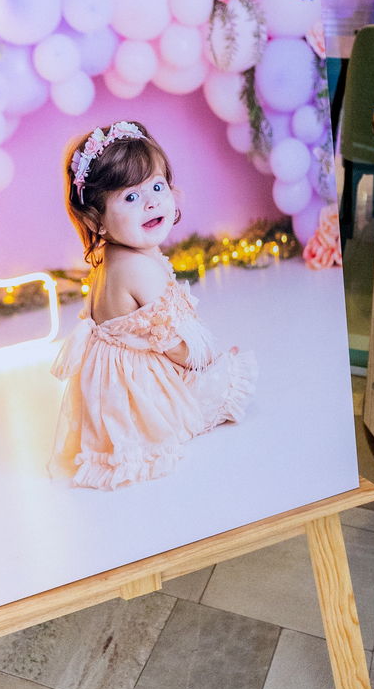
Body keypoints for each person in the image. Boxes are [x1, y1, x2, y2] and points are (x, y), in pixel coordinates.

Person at [49, 120, 257, 490]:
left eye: (157, 187)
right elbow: (174, 344)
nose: (151, 203)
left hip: (111, 385)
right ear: (96, 220)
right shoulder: (138, 269)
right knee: (229, 380)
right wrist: (209, 364)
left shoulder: (112, 258)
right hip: (134, 390)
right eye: (130, 197)